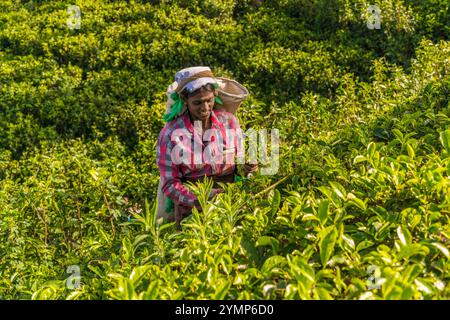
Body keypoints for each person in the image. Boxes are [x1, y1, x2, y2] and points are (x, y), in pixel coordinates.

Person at [156, 66, 257, 228]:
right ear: (184, 99)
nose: (205, 108)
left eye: (209, 100)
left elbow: (239, 164)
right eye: (197, 103)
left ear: (215, 95)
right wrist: (201, 199)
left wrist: (246, 167)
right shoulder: (170, 134)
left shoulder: (229, 122)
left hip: (229, 204)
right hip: (191, 214)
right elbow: (170, 184)